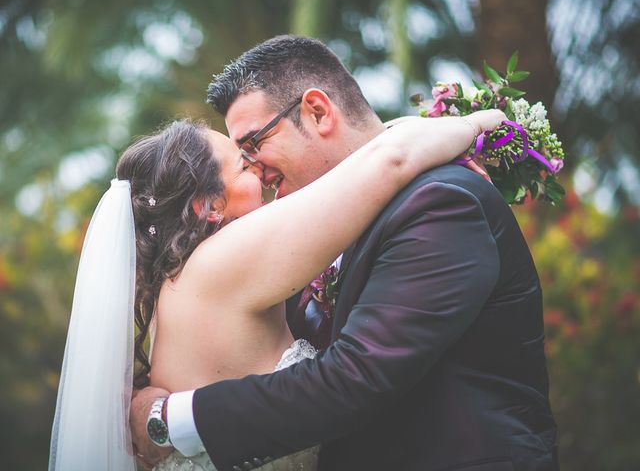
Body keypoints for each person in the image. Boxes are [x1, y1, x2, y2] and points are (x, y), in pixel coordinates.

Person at [130, 36, 558, 471]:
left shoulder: (440, 202)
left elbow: (357, 377)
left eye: (253, 145)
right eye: (242, 160)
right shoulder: (285, 248)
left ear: (317, 111)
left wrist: (167, 418)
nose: (256, 170)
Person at [48, 104, 504, 469]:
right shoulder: (224, 260)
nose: (262, 176)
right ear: (209, 205)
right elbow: (392, 158)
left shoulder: (176, 282)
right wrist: (479, 122)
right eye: (245, 167)